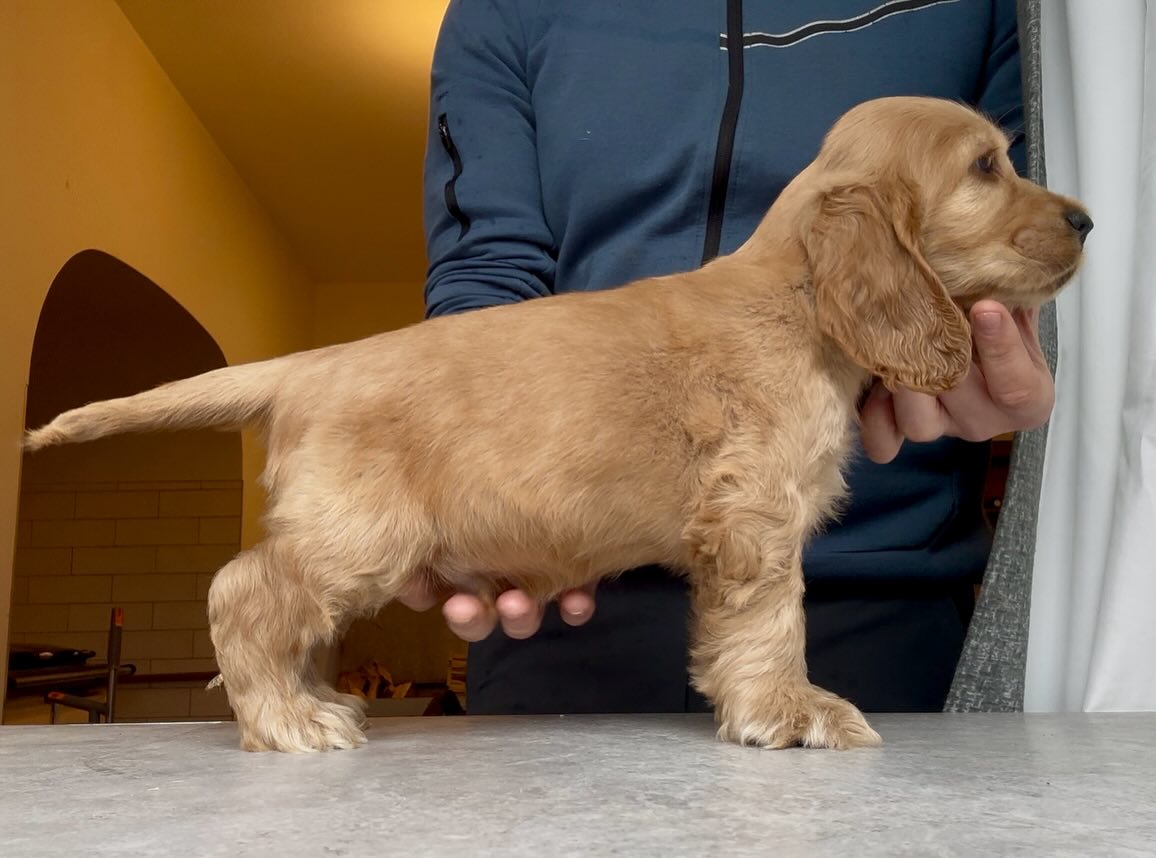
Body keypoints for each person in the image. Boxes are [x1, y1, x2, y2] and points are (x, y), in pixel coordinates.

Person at [403, 0, 1056, 715]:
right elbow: (490, 268)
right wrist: (478, 467)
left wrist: (984, 354)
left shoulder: (983, 7)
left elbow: (1007, 238)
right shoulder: (506, 9)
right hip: (573, 583)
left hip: (878, 587)